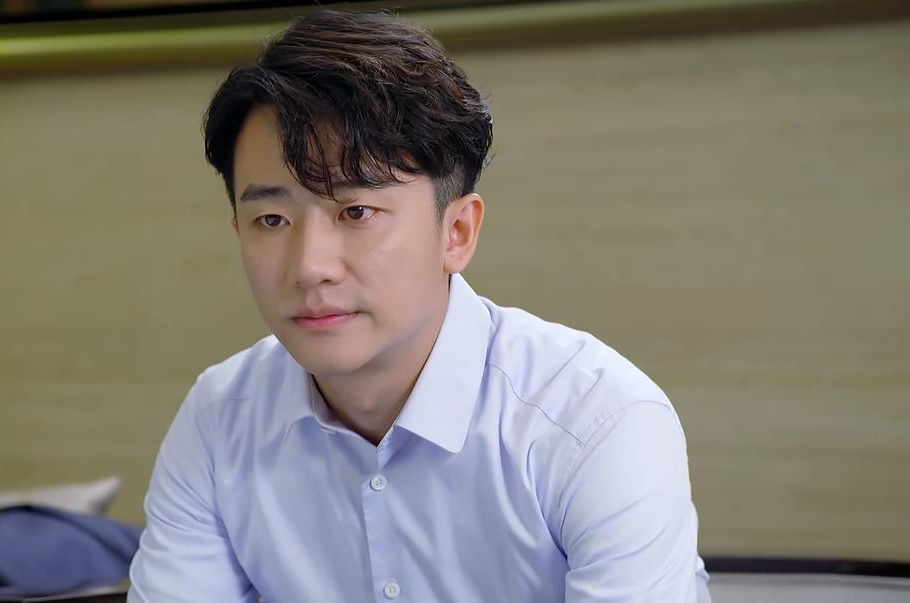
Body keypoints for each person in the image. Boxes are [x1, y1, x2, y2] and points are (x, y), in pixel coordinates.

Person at [129, 10, 711, 603]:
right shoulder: (220, 419)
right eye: (272, 219)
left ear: (457, 232)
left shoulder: (593, 422)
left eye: (356, 212)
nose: (309, 267)